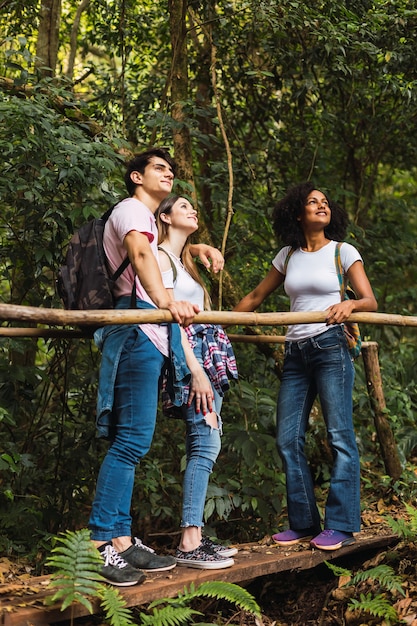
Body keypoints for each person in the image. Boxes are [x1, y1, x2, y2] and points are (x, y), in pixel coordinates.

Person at [88, 148, 225, 586]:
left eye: (171, 167)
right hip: (134, 329)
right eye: (159, 168)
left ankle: (122, 539)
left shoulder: (146, 217)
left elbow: (159, 253)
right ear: (136, 177)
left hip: (147, 333)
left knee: (134, 440)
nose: (168, 173)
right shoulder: (132, 209)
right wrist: (168, 302)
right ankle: (98, 545)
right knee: (129, 441)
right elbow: (142, 256)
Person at [234, 181, 377, 551]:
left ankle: (342, 524)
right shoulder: (287, 255)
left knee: (340, 437)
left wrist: (350, 306)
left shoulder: (343, 251)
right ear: (298, 213)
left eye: (325, 202)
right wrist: (213, 321)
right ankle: (303, 523)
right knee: (287, 439)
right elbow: (255, 296)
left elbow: (369, 300)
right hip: (296, 351)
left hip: (331, 347)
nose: (321, 206)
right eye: (312, 202)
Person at [156, 194, 238, 569]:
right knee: (205, 444)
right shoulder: (159, 258)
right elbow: (172, 323)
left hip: (207, 356)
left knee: (205, 444)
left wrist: (200, 247)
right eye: (184, 206)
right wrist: (196, 371)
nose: (193, 210)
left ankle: (196, 536)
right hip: (192, 360)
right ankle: (190, 542)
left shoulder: (182, 261)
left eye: (194, 206)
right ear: (165, 216)